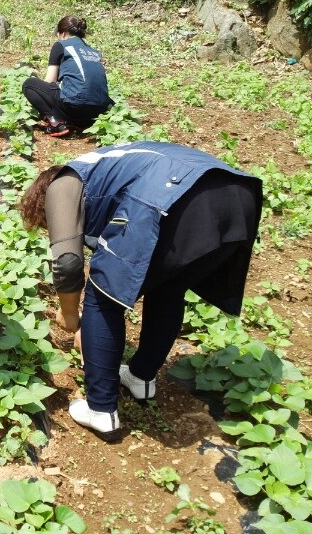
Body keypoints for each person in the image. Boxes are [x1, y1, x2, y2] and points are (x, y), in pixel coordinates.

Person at [19, 142, 262, 441]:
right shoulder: (109, 166)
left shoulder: (63, 182)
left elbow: (68, 264)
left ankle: (101, 409)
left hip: (178, 195)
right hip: (239, 197)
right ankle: (140, 377)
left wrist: (71, 314)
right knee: (169, 287)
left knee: (102, 296)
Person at [21, 15, 114, 137]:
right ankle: (81, 124)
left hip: (74, 107)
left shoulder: (61, 45)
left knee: (29, 84)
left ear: (63, 34)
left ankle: (55, 123)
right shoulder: (93, 51)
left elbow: (50, 80)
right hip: (98, 111)